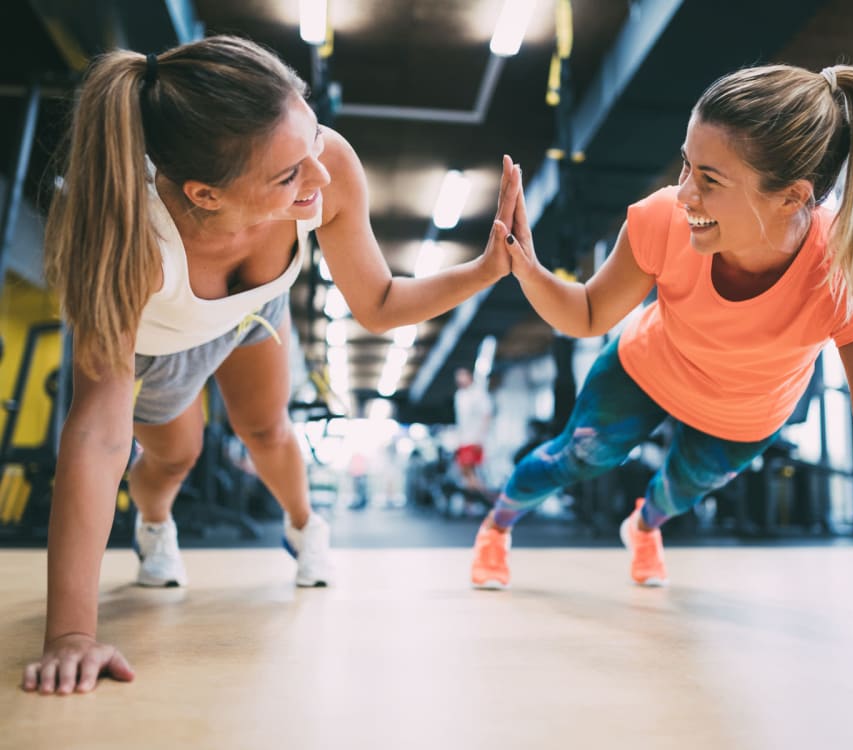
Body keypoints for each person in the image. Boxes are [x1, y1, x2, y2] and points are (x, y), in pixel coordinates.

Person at [470, 63, 853, 683]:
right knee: (581, 456)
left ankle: (643, 526)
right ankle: (498, 522)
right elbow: (589, 312)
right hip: (647, 367)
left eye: (711, 179)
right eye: (686, 165)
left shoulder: (849, 275)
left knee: (677, 495)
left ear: (793, 196)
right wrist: (530, 270)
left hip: (746, 412)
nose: (685, 192)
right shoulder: (661, 218)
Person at [24, 34, 519, 695]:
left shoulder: (325, 164)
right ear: (204, 195)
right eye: (288, 176)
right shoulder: (125, 243)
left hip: (253, 309)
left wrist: (486, 269)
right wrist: (71, 636)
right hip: (158, 338)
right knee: (175, 455)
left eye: (311, 139)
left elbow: (378, 302)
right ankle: (154, 523)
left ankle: (307, 526)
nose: (320, 175)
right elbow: (96, 433)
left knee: (268, 430)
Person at [452, 366, 493, 499]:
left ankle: (488, 498)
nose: (460, 379)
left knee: (470, 470)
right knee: (465, 471)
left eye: (463, 375)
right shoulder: (459, 395)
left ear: (469, 376)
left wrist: (480, 437)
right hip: (463, 439)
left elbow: (487, 415)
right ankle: (477, 498)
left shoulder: (479, 394)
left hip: (475, 439)